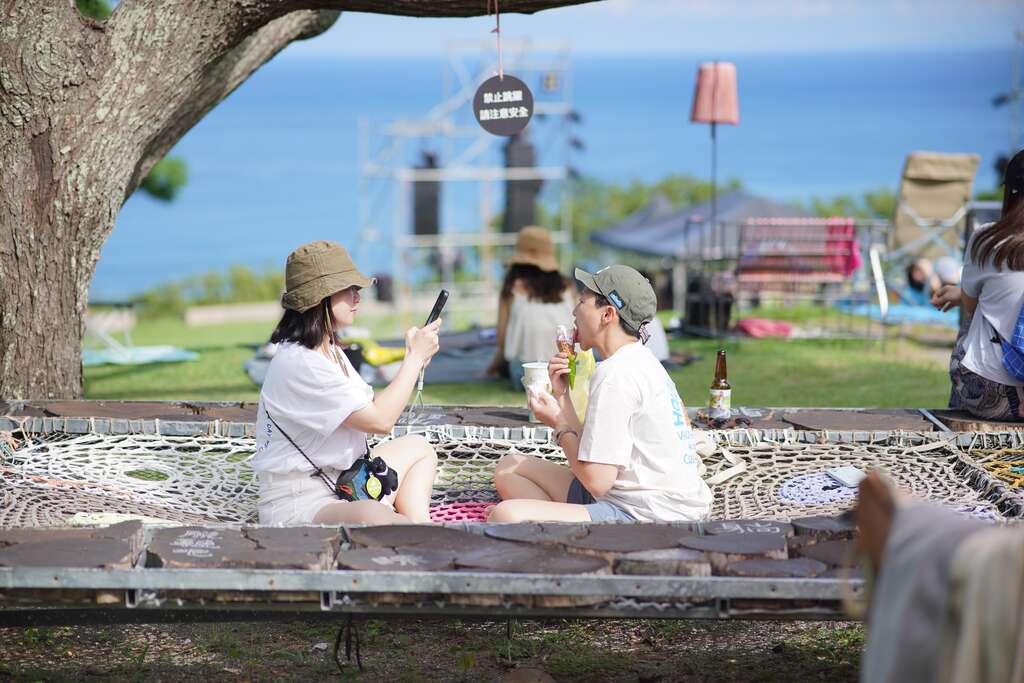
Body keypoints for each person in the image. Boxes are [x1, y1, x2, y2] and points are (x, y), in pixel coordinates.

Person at [488, 265, 712, 524]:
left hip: (649, 516)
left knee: (505, 514)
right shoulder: (639, 361)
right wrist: (562, 396)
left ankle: (549, 524)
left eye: (582, 301)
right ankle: (550, 521)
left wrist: (559, 425)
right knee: (509, 468)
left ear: (607, 314)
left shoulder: (615, 375)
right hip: (643, 499)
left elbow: (596, 481)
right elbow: (595, 451)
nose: (574, 311)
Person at [252, 240, 441, 525]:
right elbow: (380, 421)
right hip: (302, 500)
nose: (357, 297)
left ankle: (419, 526)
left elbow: (370, 407)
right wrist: (413, 360)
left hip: (348, 481)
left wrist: (412, 361)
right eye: (348, 288)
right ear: (320, 297)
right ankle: (411, 532)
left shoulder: (327, 348)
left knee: (419, 448)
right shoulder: (303, 363)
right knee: (373, 516)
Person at [931, 149, 1024, 422]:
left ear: (1010, 193)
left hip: (994, 394)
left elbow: (972, 305)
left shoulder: (988, 240)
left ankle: (955, 422)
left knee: (974, 322)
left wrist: (963, 294)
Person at [484, 226, 575, 390]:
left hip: (527, 374)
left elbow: (503, 340)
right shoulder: (568, 287)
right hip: (567, 371)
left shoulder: (512, 288)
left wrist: (492, 368)